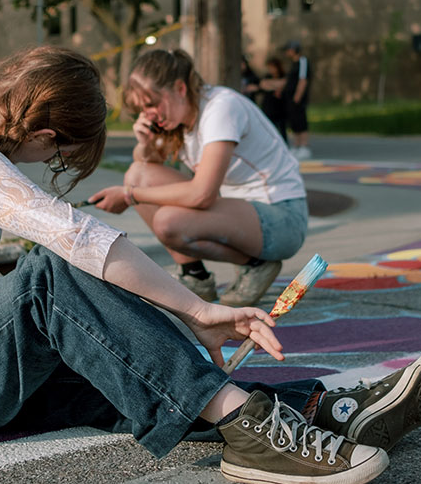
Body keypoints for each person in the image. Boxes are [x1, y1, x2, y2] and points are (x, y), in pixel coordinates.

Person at [0, 45, 421, 484]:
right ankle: (251, 430)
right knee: (53, 273)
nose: (46, 164)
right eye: (56, 156)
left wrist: (70, 328)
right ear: (46, 132)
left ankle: (322, 410)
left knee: (128, 364)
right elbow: (76, 237)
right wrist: (197, 309)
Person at [91, 49, 306, 308]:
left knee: (168, 221)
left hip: (282, 219)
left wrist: (129, 195)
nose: (148, 114)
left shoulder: (221, 108)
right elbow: (144, 166)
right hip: (242, 215)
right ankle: (196, 276)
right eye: (141, 109)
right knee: (137, 174)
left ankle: (257, 265)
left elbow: (202, 195)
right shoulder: (179, 117)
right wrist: (145, 144)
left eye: (151, 104)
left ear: (180, 88)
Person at [283, 41, 312, 160]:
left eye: (288, 49)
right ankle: (296, 145)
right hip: (290, 98)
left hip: (298, 99)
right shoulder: (293, 64)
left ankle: (304, 146)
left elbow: (303, 80)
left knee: (301, 121)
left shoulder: (302, 61)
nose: (287, 52)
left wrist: (297, 97)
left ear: (294, 49)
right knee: (294, 121)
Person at [256, 56, 288, 142]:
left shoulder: (283, 75)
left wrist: (271, 84)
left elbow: (283, 83)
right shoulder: (267, 76)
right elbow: (263, 84)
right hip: (269, 106)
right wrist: (276, 87)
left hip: (280, 106)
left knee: (281, 127)